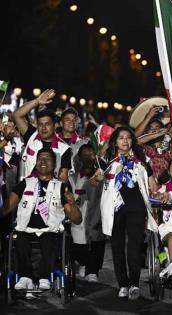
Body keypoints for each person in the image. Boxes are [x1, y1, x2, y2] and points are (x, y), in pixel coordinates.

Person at [0, 149, 81, 290]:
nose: (43, 162)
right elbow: (6, 208)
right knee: (19, 238)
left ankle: (45, 277)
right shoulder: (25, 184)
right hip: (26, 228)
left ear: (54, 164)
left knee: (48, 239)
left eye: (47, 159)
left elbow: (77, 219)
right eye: (40, 159)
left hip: (50, 230)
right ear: (36, 163)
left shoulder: (61, 187)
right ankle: (26, 277)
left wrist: (72, 203)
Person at [95, 126, 158, 300]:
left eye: (128, 138)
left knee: (134, 246)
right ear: (115, 141)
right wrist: (97, 178)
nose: (125, 141)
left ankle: (134, 284)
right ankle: (123, 283)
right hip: (114, 208)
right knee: (117, 246)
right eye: (121, 137)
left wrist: (156, 188)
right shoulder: (107, 159)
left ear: (132, 141)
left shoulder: (141, 159)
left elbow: (152, 183)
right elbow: (95, 180)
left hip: (136, 207)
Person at [13, 89, 72, 182]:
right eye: (40, 124)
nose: (43, 128)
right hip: (26, 193)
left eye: (47, 124)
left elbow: (63, 180)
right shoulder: (32, 136)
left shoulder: (64, 149)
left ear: (55, 125)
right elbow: (17, 115)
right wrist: (37, 101)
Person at [70, 144, 106, 282]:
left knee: (97, 243)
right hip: (79, 219)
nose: (88, 158)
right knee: (79, 246)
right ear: (79, 158)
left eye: (91, 154)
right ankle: (84, 264)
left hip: (96, 217)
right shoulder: (73, 177)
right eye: (85, 155)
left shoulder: (102, 176)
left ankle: (93, 271)